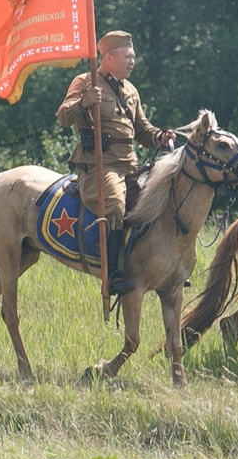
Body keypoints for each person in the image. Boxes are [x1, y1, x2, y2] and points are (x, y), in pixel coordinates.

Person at [55, 30, 170, 293]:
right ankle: (114, 273)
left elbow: (143, 130)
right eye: (127, 56)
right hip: (99, 165)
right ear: (108, 57)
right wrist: (84, 102)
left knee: (161, 199)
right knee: (116, 204)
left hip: (129, 164)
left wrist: (160, 137)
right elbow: (63, 116)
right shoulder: (85, 81)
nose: (133, 61)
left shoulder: (130, 90)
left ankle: (160, 266)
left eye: (134, 56)